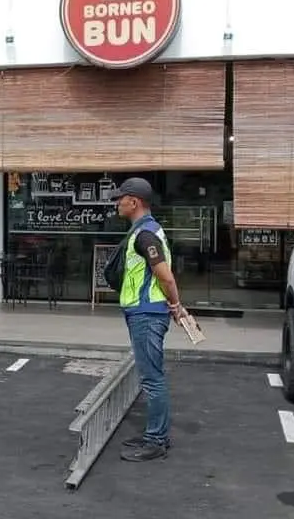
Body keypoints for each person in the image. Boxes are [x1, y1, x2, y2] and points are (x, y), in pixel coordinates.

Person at [109, 177, 191, 462]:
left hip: (147, 314)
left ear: (134, 201)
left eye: (121, 198)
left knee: (152, 379)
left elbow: (165, 276)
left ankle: (156, 441)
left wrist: (176, 305)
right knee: (151, 377)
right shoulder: (144, 231)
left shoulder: (145, 235)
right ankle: (154, 434)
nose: (117, 203)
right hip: (143, 312)